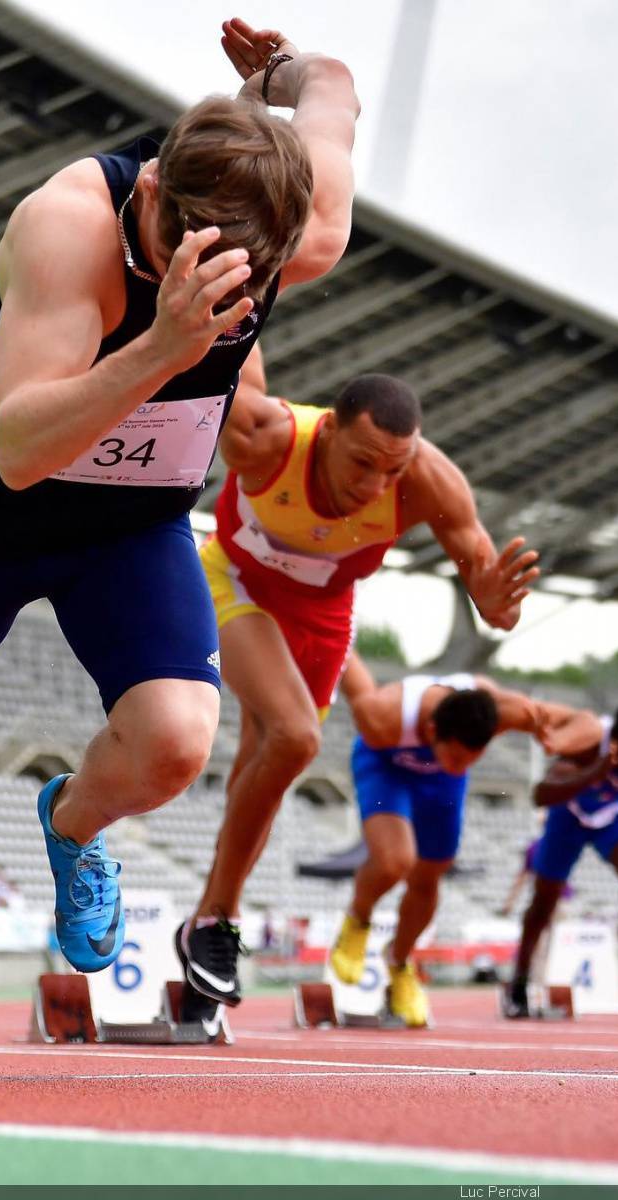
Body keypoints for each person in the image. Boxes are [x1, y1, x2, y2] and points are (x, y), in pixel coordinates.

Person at [0, 17, 362, 1074]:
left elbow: (336, 88)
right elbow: (18, 446)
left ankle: (74, 820)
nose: (228, 293)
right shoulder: (67, 225)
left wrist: (275, 75)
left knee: (180, 742)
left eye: (245, 280)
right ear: (150, 199)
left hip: (128, 525)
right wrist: (166, 346)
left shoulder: (299, 233)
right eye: (195, 263)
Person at [174, 356, 540, 1010]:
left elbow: (488, 582)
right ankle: (214, 920)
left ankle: (209, 924)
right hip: (235, 581)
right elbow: (213, 365)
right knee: (294, 737)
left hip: (325, 612)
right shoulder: (267, 436)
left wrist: (493, 600)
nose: (377, 487)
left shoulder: (431, 481)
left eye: (393, 470)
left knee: (271, 755)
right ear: (329, 433)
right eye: (363, 464)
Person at [325, 654, 597, 1025]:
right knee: (394, 861)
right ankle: (358, 920)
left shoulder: (499, 709)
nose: (464, 763)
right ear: (434, 730)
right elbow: (344, 655)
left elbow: (588, 724)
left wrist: (559, 739)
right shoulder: (382, 714)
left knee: (431, 874)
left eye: (474, 757)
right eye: (457, 755)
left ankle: (399, 963)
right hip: (385, 766)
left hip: (441, 784)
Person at [503, 613, 618, 1019]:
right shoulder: (586, 742)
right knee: (543, 904)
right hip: (568, 815)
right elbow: (540, 793)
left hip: (613, 813)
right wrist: (594, 771)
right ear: (615, 738)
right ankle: (517, 983)